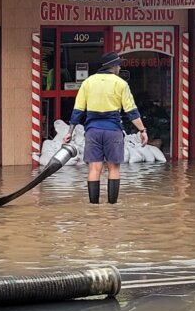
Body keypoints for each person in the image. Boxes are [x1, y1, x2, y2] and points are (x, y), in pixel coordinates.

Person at [63, 51, 148, 204]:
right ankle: (112, 207)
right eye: (119, 65)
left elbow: (78, 110)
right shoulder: (121, 84)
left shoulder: (88, 82)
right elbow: (131, 111)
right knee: (114, 168)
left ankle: (93, 207)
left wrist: (69, 132)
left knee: (94, 169)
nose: (120, 68)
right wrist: (142, 131)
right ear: (113, 66)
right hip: (113, 131)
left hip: (92, 131)